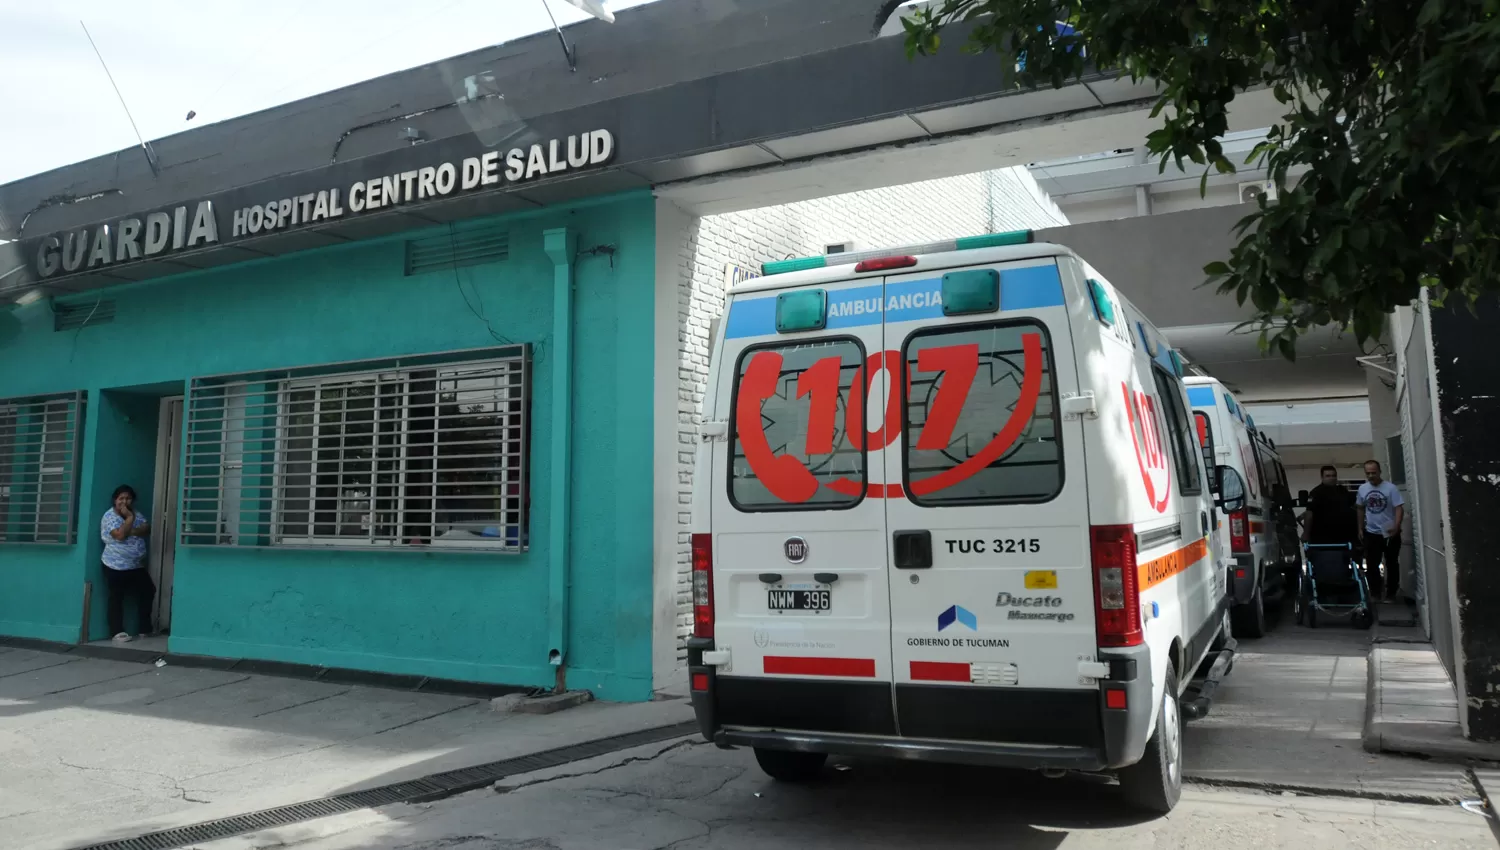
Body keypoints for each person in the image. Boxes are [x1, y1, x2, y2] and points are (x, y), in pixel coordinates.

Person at [100, 484, 155, 642]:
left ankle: (145, 628)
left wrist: (130, 528)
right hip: (115, 565)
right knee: (116, 597)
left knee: (148, 590)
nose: (124, 502)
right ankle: (116, 631)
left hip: (135, 565)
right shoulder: (109, 516)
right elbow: (119, 535)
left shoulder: (136, 513)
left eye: (128, 498)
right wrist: (130, 520)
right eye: (121, 498)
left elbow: (146, 528)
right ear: (115, 500)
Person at [1356, 460, 1405, 602]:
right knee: (1372, 564)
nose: (1371, 475)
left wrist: (1396, 526)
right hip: (1371, 533)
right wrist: (1360, 528)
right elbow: (1360, 508)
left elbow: (1398, 508)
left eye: (1374, 472)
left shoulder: (1390, 488)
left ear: (1379, 471)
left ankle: (1391, 594)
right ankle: (1375, 593)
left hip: (1390, 532)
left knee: (1391, 563)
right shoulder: (1362, 489)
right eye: (1368, 473)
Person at [1300, 465, 1358, 546]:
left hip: (1343, 534)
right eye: (1328, 476)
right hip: (1322, 535)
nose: (1332, 478)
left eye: (1334, 476)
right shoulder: (1316, 492)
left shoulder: (1342, 491)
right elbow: (1309, 514)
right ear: (1322, 477)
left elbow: (1356, 507)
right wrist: (1306, 534)